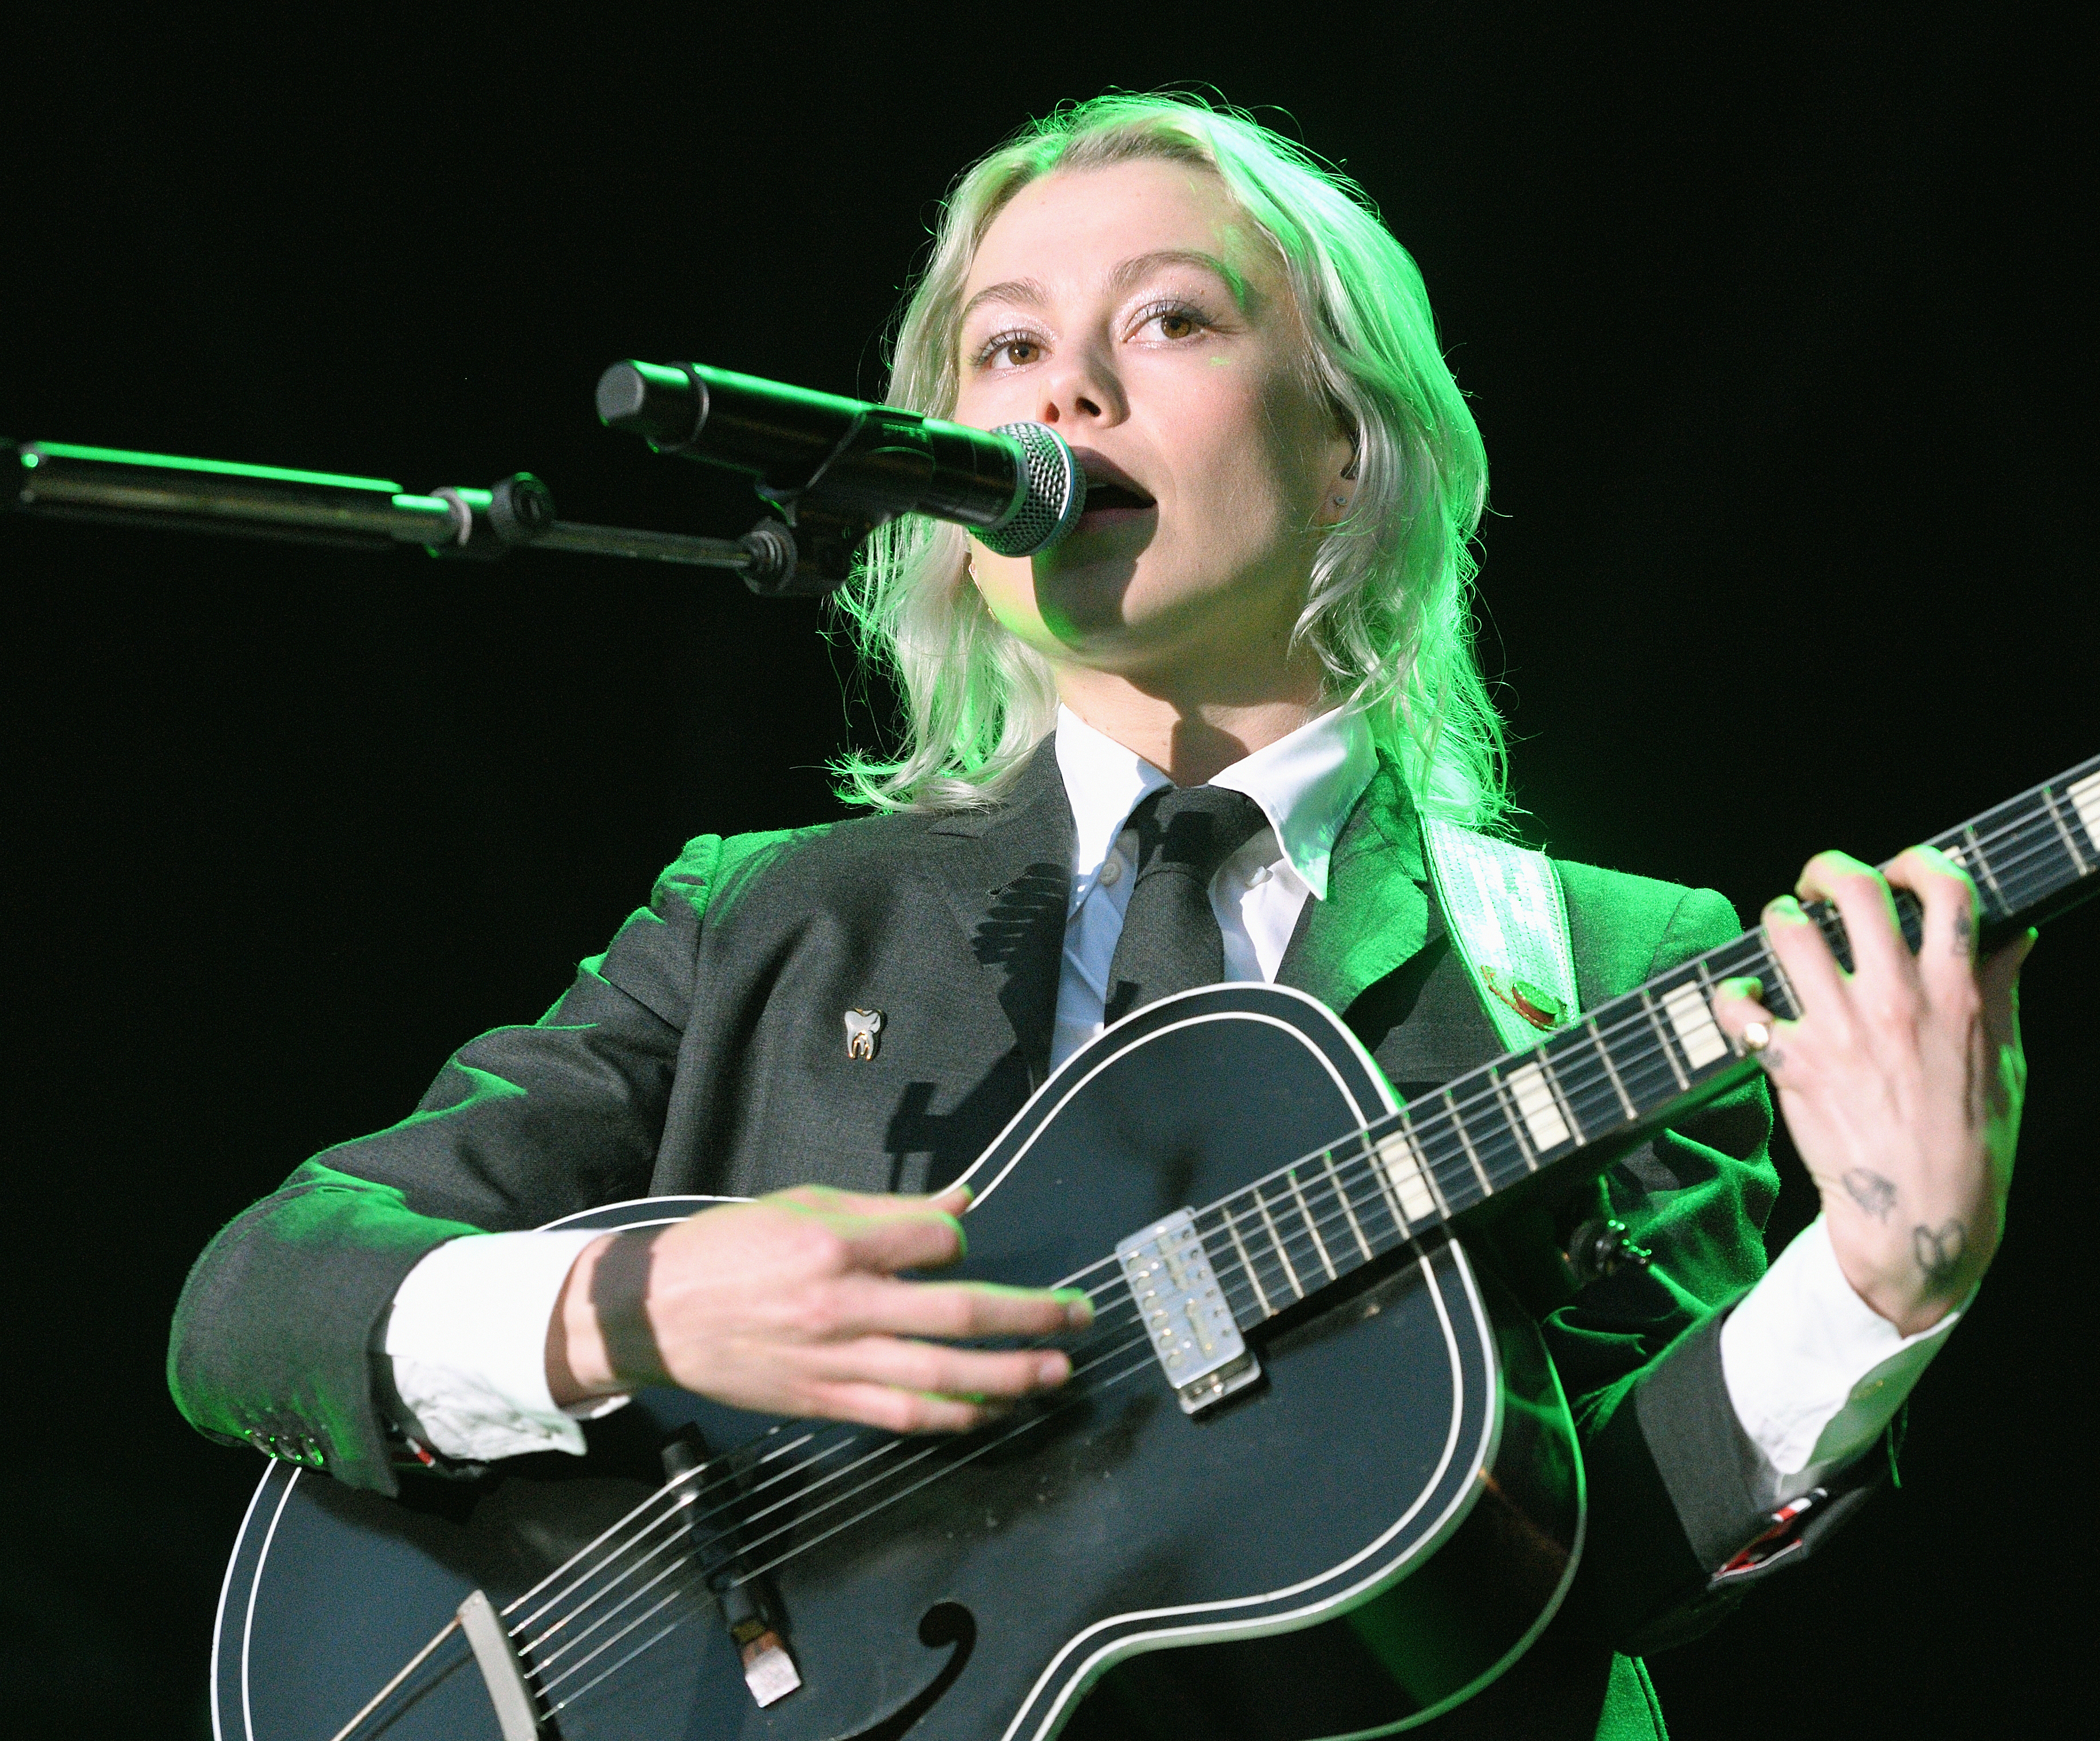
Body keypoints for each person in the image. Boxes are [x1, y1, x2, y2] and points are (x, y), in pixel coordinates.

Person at [169, 94, 2029, 1739]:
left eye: (1170, 319)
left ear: (1350, 445)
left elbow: (1593, 1561)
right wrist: (631, 1301)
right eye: (1004, 346)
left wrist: (1883, 1287)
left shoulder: (1604, 965)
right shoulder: (766, 918)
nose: (1064, 393)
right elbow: (256, 1296)